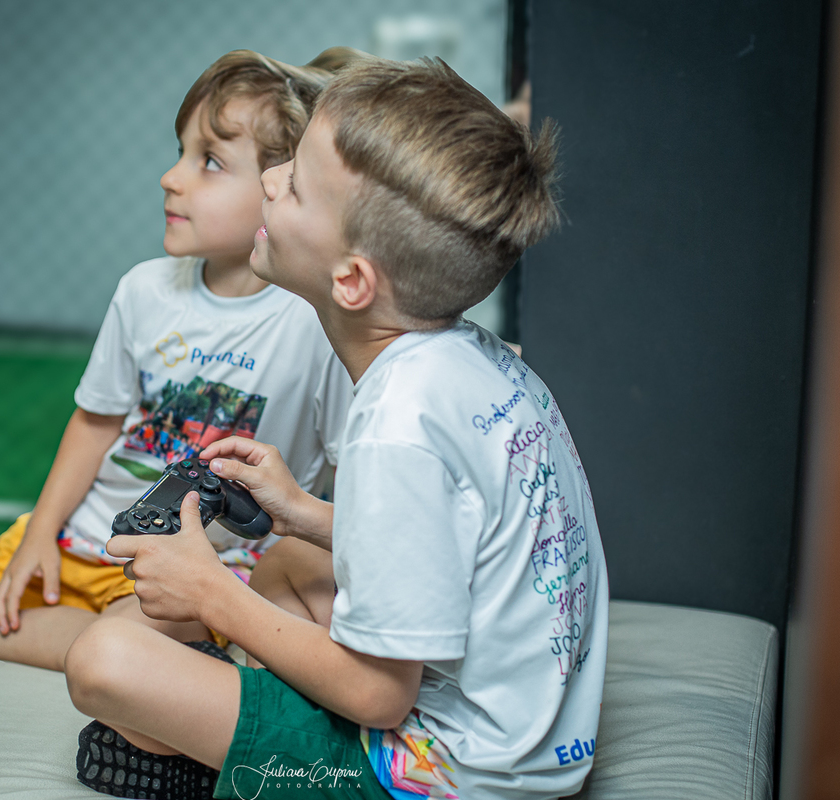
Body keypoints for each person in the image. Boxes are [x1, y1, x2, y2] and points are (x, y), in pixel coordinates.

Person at [64, 57, 609, 800]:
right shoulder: (475, 363)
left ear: (351, 280)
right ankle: (240, 725)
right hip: (531, 742)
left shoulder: (395, 428)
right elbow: (452, 542)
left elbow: (380, 697)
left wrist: (211, 593)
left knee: (104, 662)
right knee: (288, 558)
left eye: (294, 183)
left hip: (445, 776)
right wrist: (303, 512)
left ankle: (254, 766)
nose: (268, 180)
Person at [0, 49, 356, 709]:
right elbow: (96, 422)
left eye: (210, 161)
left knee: (127, 648)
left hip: (195, 569)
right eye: (180, 153)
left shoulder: (319, 327)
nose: (170, 178)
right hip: (88, 534)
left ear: (282, 188)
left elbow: (344, 480)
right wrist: (41, 532)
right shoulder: (144, 290)